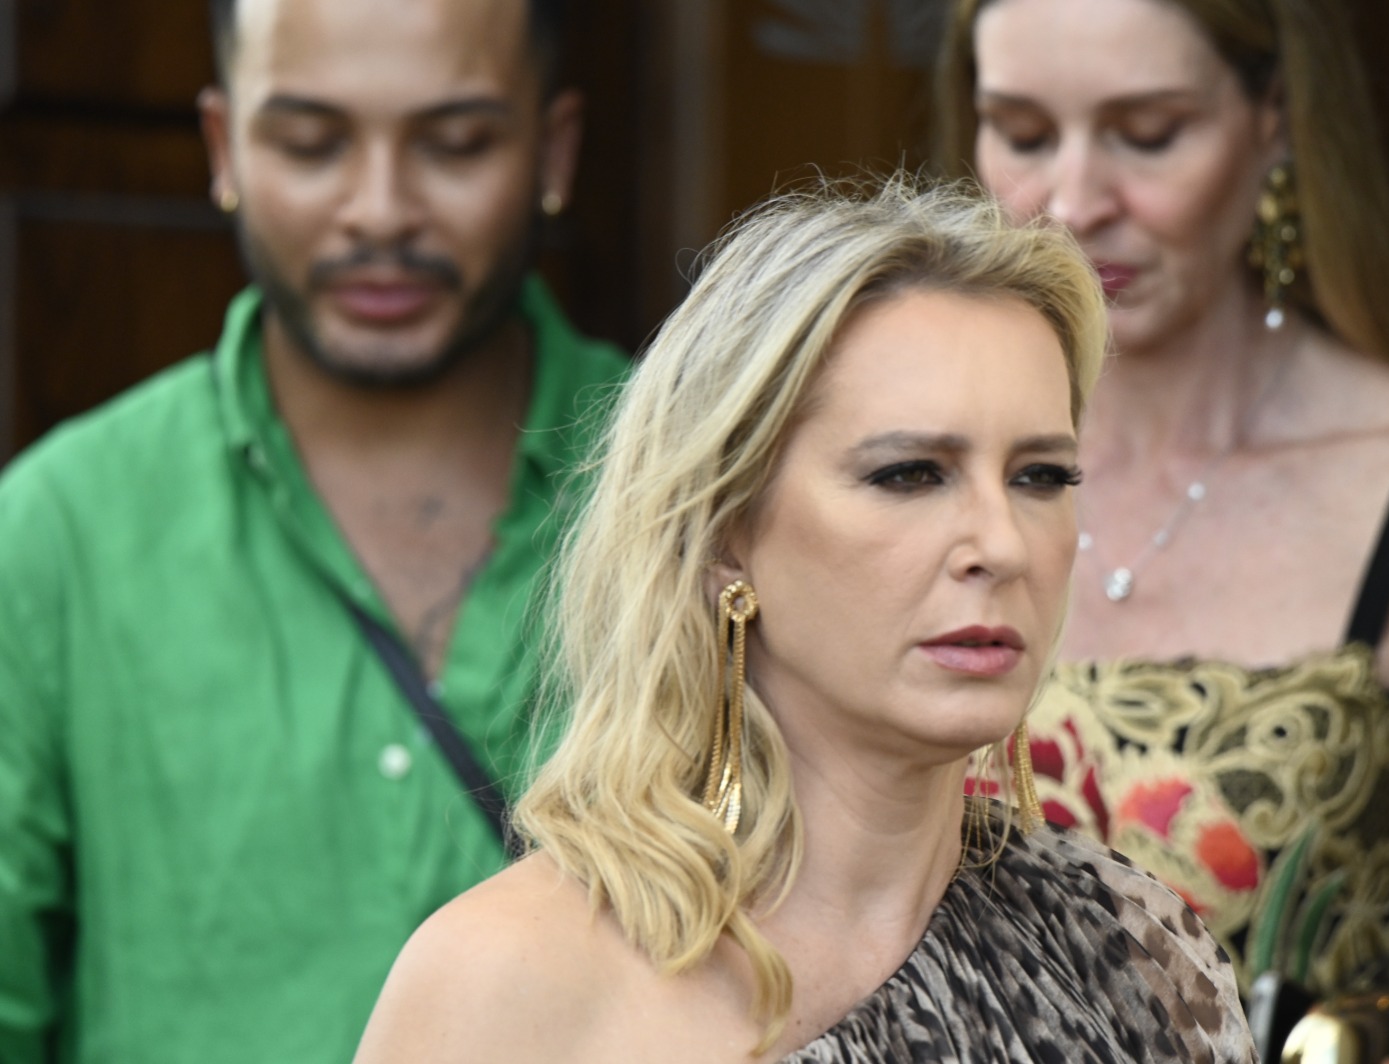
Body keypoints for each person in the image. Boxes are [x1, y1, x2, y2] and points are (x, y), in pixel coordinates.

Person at [351, 178, 1258, 1063]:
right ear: (725, 533)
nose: (1001, 543)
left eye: (1041, 477)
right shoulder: (511, 982)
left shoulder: (1132, 954)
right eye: (909, 474)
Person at [0, 0, 630, 1061]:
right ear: (223, 146)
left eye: (455, 144)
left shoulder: (708, 499)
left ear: (553, 151)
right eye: (309, 142)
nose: (379, 211)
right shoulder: (55, 533)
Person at [938, 0, 1389, 1046]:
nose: (1073, 203)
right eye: (1023, 133)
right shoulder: (886, 464)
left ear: (1275, 119)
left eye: (1148, 135)